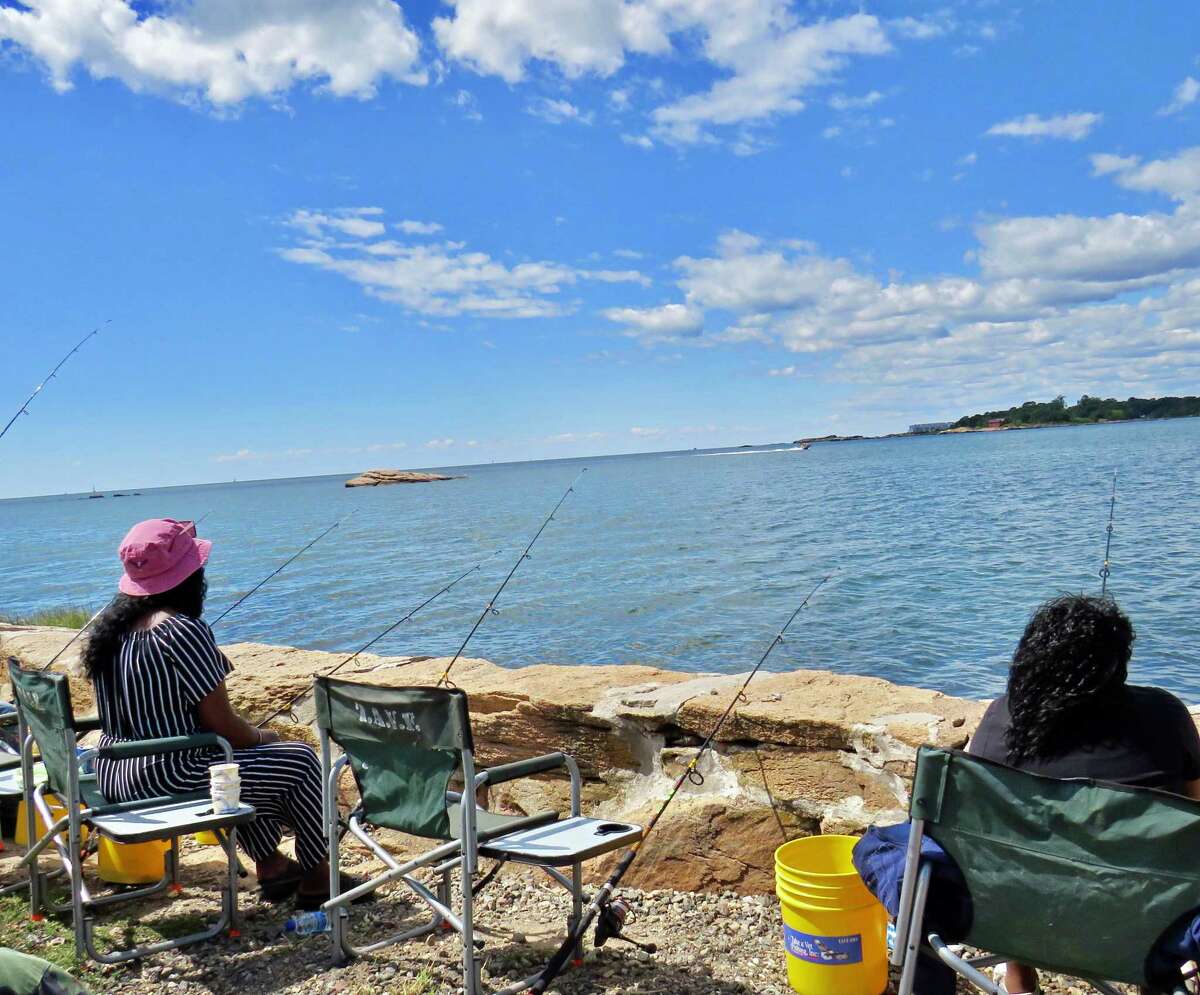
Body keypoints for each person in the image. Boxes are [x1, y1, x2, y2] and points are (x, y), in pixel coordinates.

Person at [83, 518, 349, 909]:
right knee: (299, 760)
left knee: (241, 765)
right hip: (166, 773)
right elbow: (222, 725)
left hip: (114, 772)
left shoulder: (110, 631)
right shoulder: (180, 631)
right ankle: (318, 876)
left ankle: (272, 865)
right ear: (189, 577)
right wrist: (265, 737)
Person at [968, 594, 1200, 995]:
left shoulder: (999, 719)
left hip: (1017, 912)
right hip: (1142, 921)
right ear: (1115, 665)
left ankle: (1019, 977)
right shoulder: (1164, 715)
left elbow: (987, 831)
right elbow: (1192, 813)